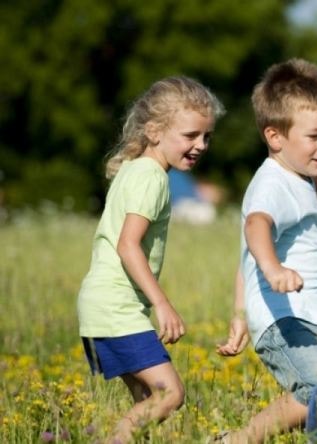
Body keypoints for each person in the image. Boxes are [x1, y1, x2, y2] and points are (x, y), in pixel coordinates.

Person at [77, 76, 224, 443]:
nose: (200, 145)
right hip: (116, 308)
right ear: (155, 131)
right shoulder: (152, 177)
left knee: (145, 401)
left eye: (206, 137)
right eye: (190, 135)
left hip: (103, 306)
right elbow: (128, 245)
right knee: (169, 394)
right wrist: (162, 303)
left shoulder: (136, 169)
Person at [216, 58, 317, 443]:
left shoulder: (299, 180)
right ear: (275, 137)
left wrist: (240, 313)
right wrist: (274, 269)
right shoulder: (273, 183)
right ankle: (243, 439)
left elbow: (247, 255)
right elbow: (255, 228)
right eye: (315, 136)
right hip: (288, 322)